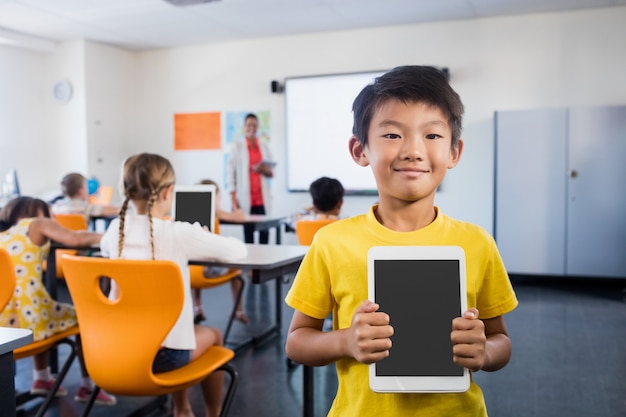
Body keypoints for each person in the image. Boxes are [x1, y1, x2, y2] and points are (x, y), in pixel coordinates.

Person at [284, 66, 518, 417]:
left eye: (433, 136)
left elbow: (502, 342)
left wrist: (484, 352)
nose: (412, 150)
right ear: (360, 150)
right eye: (392, 135)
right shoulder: (332, 243)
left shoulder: (477, 243)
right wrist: (345, 340)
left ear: (454, 152)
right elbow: (297, 341)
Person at [99, 153, 247, 417]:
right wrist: (202, 236)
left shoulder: (114, 232)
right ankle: (206, 413)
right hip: (164, 357)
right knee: (213, 335)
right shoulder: (179, 232)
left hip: (116, 350)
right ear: (168, 192)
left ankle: (183, 408)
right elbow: (237, 252)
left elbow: (103, 247)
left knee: (185, 332)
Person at [0, 196, 117, 406]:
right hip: (29, 321)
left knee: (44, 309)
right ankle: (88, 387)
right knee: (81, 318)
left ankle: (42, 377)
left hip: (4, 324)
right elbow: (76, 239)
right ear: (40, 213)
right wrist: (114, 237)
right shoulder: (37, 224)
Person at [192, 179, 248, 325]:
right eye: (219, 198)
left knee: (194, 263)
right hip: (208, 270)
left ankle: (197, 308)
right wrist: (236, 211)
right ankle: (238, 310)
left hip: (190, 273)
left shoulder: (187, 215)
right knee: (237, 269)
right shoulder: (216, 213)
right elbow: (242, 217)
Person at [226, 113, 274, 243]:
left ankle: (265, 260)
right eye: (249, 125)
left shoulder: (263, 147)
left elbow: (271, 173)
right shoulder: (237, 147)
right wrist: (233, 197)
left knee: (264, 233)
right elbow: (231, 172)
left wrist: (264, 170)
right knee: (248, 234)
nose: (252, 128)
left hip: (262, 199)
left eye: (254, 125)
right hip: (246, 198)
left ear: (258, 127)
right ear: (244, 127)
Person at [51, 172, 119, 219]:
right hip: (82, 238)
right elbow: (110, 210)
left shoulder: (57, 206)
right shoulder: (84, 207)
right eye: (86, 188)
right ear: (80, 192)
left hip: (61, 238)